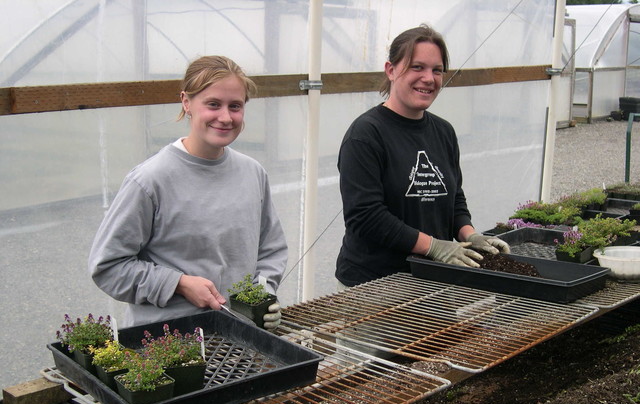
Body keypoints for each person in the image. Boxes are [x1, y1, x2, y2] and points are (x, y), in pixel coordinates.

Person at [89, 55, 287, 330]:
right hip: (167, 345)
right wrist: (178, 284)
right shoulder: (149, 181)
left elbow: (271, 248)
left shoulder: (252, 172)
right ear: (186, 102)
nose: (226, 117)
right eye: (213, 104)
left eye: (236, 106)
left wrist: (265, 291)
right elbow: (108, 267)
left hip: (241, 337)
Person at [335, 24, 509, 288]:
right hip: (374, 285)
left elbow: (453, 199)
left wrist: (471, 235)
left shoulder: (443, 131)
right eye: (417, 67)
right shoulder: (366, 134)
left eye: (436, 70)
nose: (429, 78)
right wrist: (433, 246)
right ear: (391, 70)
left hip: (432, 279)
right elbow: (366, 217)